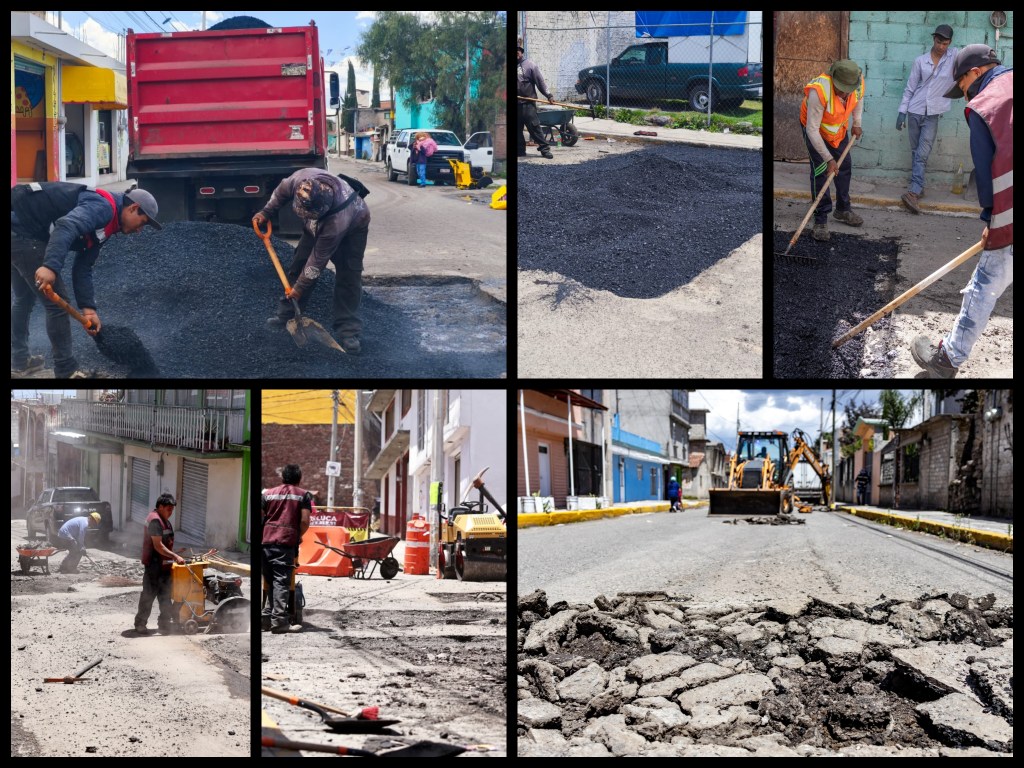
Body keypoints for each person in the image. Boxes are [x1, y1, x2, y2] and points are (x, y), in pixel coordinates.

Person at [912, 45, 1012, 378]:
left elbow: (987, 177)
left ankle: (947, 360)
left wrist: (991, 221)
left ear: (975, 72)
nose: (965, 97)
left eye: (963, 86)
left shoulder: (985, 107)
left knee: (985, 283)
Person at [10, 183, 161, 378]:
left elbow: (83, 266)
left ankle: (20, 362)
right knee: (56, 305)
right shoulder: (104, 208)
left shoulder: (109, 225)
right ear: (132, 208)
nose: (139, 230)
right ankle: (67, 371)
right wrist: (50, 266)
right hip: (23, 233)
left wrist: (88, 309)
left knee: (24, 299)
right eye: (142, 222)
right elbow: (67, 225)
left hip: (20, 229)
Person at [253, 169, 370, 355]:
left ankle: (348, 331)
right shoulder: (300, 180)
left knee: (348, 276)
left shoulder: (336, 223)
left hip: (353, 228)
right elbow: (281, 192)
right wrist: (266, 212)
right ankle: (287, 315)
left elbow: (316, 264)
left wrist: (299, 289)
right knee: (299, 264)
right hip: (316, 226)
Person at [800, 59, 865, 242]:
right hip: (816, 130)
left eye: (847, 89)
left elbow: (858, 99)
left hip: (837, 129)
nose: (845, 93)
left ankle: (843, 209)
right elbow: (812, 130)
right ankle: (820, 220)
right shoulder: (818, 92)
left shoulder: (857, 83)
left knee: (844, 166)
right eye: (841, 88)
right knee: (821, 171)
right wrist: (828, 159)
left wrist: (857, 124)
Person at [897, 24, 959, 214]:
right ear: (934, 39)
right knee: (916, 151)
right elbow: (910, 88)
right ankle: (919, 186)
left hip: (933, 114)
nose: (941, 46)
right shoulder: (920, 61)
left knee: (923, 153)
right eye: (939, 42)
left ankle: (913, 192)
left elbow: (971, 56)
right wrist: (902, 111)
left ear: (950, 43)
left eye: (945, 43)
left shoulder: (954, 57)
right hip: (915, 110)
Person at [261, 464, 312, 634]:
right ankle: (280, 623)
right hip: (285, 543)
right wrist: (298, 535)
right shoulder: (303, 495)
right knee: (281, 582)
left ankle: (265, 620)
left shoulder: (267, 494)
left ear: (282, 477)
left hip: (266, 543)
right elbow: (304, 521)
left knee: (270, 582)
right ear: (299, 478)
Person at [134, 493, 185, 635]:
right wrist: (175, 556)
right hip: (154, 566)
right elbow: (157, 546)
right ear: (160, 507)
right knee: (148, 596)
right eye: (168, 508)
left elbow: (165, 544)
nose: (171, 512)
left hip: (164, 565)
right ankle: (140, 624)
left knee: (165, 597)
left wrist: (175, 552)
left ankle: (164, 625)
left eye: (172, 509)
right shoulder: (155, 521)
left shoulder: (164, 520)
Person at [517, 38, 554, 159]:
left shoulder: (530, 65)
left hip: (528, 104)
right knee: (517, 131)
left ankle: (545, 149)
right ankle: (520, 151)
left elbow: (540, 82)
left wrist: (549, 95)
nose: (516, 53)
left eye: (518, 51)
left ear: (521, 52)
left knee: (534, 127)